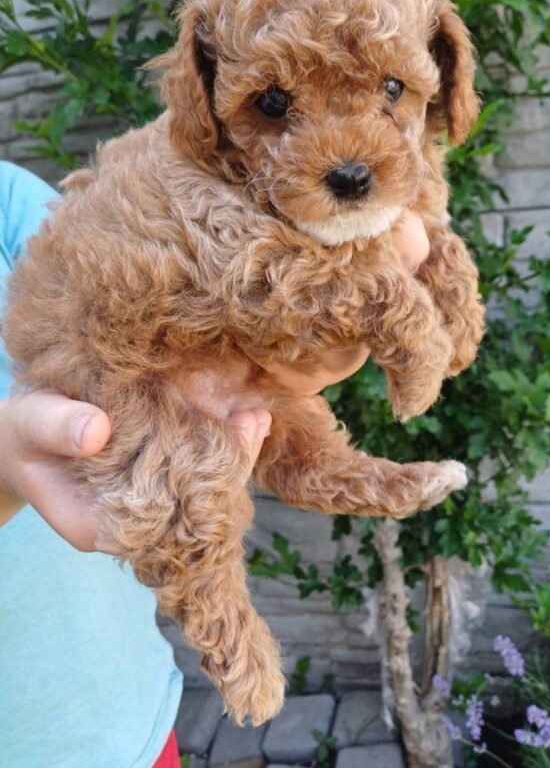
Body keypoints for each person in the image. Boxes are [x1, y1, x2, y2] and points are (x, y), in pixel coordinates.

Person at [0, 160, 430, 767]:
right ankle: (228, 635)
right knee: (185, 488)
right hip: (29, 737)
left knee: (268, 410)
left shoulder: (9, 198)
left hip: (129, 717)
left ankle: (335, 474)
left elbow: (109, 263)